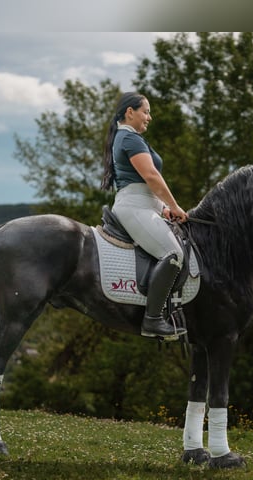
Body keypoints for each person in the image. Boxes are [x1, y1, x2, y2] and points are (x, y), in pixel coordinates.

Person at [101, 92, 188, 339]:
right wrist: (176, 205)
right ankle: (153, 319)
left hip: (145, 205)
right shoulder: (130, 138)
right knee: (173, 254)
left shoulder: (128, 138)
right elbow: (151, 177)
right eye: (146, 111)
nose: (150, 117)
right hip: (135, 207)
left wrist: (163, 208)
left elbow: (142, 186)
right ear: (130, 112)